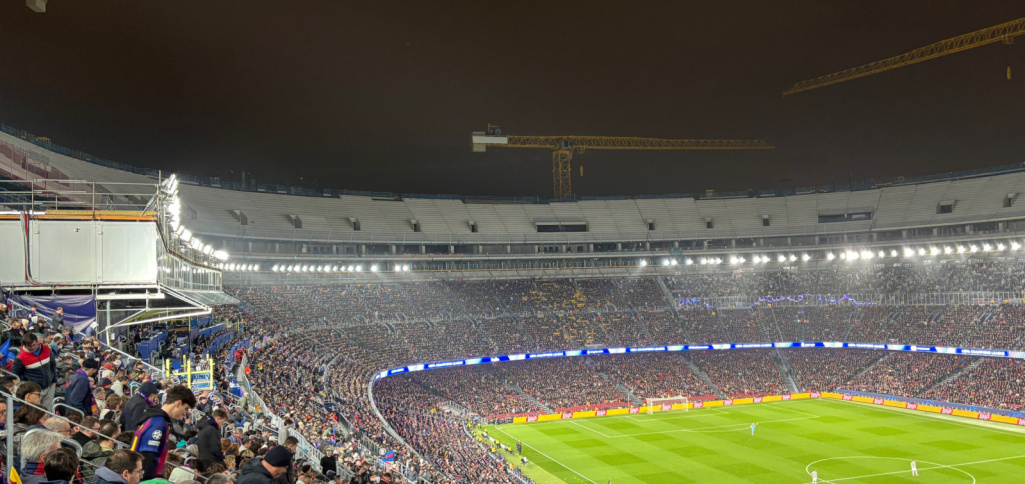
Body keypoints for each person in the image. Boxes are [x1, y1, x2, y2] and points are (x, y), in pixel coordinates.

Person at [132, 385, 197, 480]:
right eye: (186, 409)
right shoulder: (158, 422)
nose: (184, 413)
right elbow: (147, 457)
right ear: (178, 403)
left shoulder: (153, 418)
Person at [13, 333, 58, 411]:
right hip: (34, 391)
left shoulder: (47, 349)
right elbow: (15, 376)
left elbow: (53, 365)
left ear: (37, 342)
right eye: (29, 346)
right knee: (35, 413)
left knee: (48, 412)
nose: (32, 347)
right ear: (24, 345)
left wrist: (54, 381)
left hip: (49, 387)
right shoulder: (20, 358)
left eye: (34, 344)